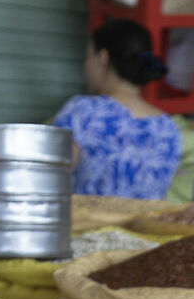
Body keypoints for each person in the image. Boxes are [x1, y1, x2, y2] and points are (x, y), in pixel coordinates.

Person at [49, 19, 184, 200]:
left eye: (89, 56)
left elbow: (51, 178)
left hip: (86, 227)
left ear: (102, 59)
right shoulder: (168, 127)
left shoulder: (82, 113)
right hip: (143, 228)